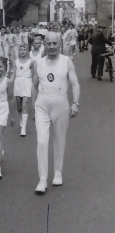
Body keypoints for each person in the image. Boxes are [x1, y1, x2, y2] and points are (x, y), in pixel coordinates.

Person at [32, 32, 80, 194]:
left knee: (59, 139)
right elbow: (34, 86)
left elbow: (75, 84)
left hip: (60, 103)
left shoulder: (66, 62)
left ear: (60, 44)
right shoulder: (38, 63)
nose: (52, 47)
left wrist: (75, 103)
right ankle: (42, 178)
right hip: (42, 104)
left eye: (55, 44)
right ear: (44, 44)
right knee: (41, 142)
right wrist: (33, 105)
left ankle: (57, 172)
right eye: (49, 44)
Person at [12, 43, 33, 136]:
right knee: (19, 107)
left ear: (27, 51)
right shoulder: (15, 62)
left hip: (27, 83)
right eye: (21, 49)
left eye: (24, 49)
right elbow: (13, 74)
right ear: (19, 51)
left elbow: (34, 74)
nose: (23, 51)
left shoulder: (31, 62)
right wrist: (8, 82)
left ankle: (23, 128)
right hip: (18, 83)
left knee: (25, 104)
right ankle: (21, 118)